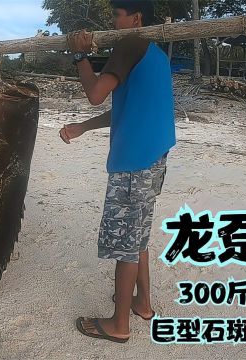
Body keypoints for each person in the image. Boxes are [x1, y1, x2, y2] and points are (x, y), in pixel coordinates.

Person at [59, 0, 175, 342]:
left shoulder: (130, 44)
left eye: (116, 16)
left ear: (135, 18)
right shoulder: (155, 54)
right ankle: (143, 304)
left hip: (134, 163)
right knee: (138, 235)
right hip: (155, 157)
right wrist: (84, 127)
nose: (112, 22)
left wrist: (79, 56)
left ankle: (118, 325)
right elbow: (127, 109)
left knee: (126, 243)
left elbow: (96, 94)